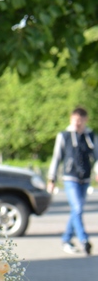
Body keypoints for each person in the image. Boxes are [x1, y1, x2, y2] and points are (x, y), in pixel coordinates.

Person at [47, 106, 98, 256]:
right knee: (77, 208)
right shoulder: (64, 136)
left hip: (85, 178)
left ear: (85, 120)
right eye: (75, 120)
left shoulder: (90, 136)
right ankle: (84, 240)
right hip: (70, 177)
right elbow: (56, 158)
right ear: (71, 119)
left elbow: (97, 157)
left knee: (77, 210)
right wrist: (51, 178)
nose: (77, 123)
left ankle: (66, 239)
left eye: (80, 121)